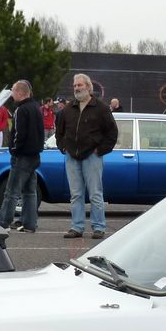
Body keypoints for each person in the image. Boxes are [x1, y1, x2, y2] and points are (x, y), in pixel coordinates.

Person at [55, 72, 116, 239]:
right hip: (72, 157)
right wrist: (63, 147)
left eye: (80, 85)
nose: (76, 88)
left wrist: (100, 150)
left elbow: (112, 133)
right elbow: (59, 132)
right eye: (75, 85)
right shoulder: (68, 109)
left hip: (92, 156)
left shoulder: (101, 108)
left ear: (88, 87)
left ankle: (99, 227)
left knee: (95, 193)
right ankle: (77, 227)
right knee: (76, 194)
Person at [0, 80, 43, 233]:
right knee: (30, 192)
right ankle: (30, 223)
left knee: (11, 192)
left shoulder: (21, 110)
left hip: (22, 156)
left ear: (20, 93)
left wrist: (14, 150)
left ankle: (3, 222)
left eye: (13, 91)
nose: (12, 94)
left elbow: (19, 134)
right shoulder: (36, 107)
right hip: (34, 156)